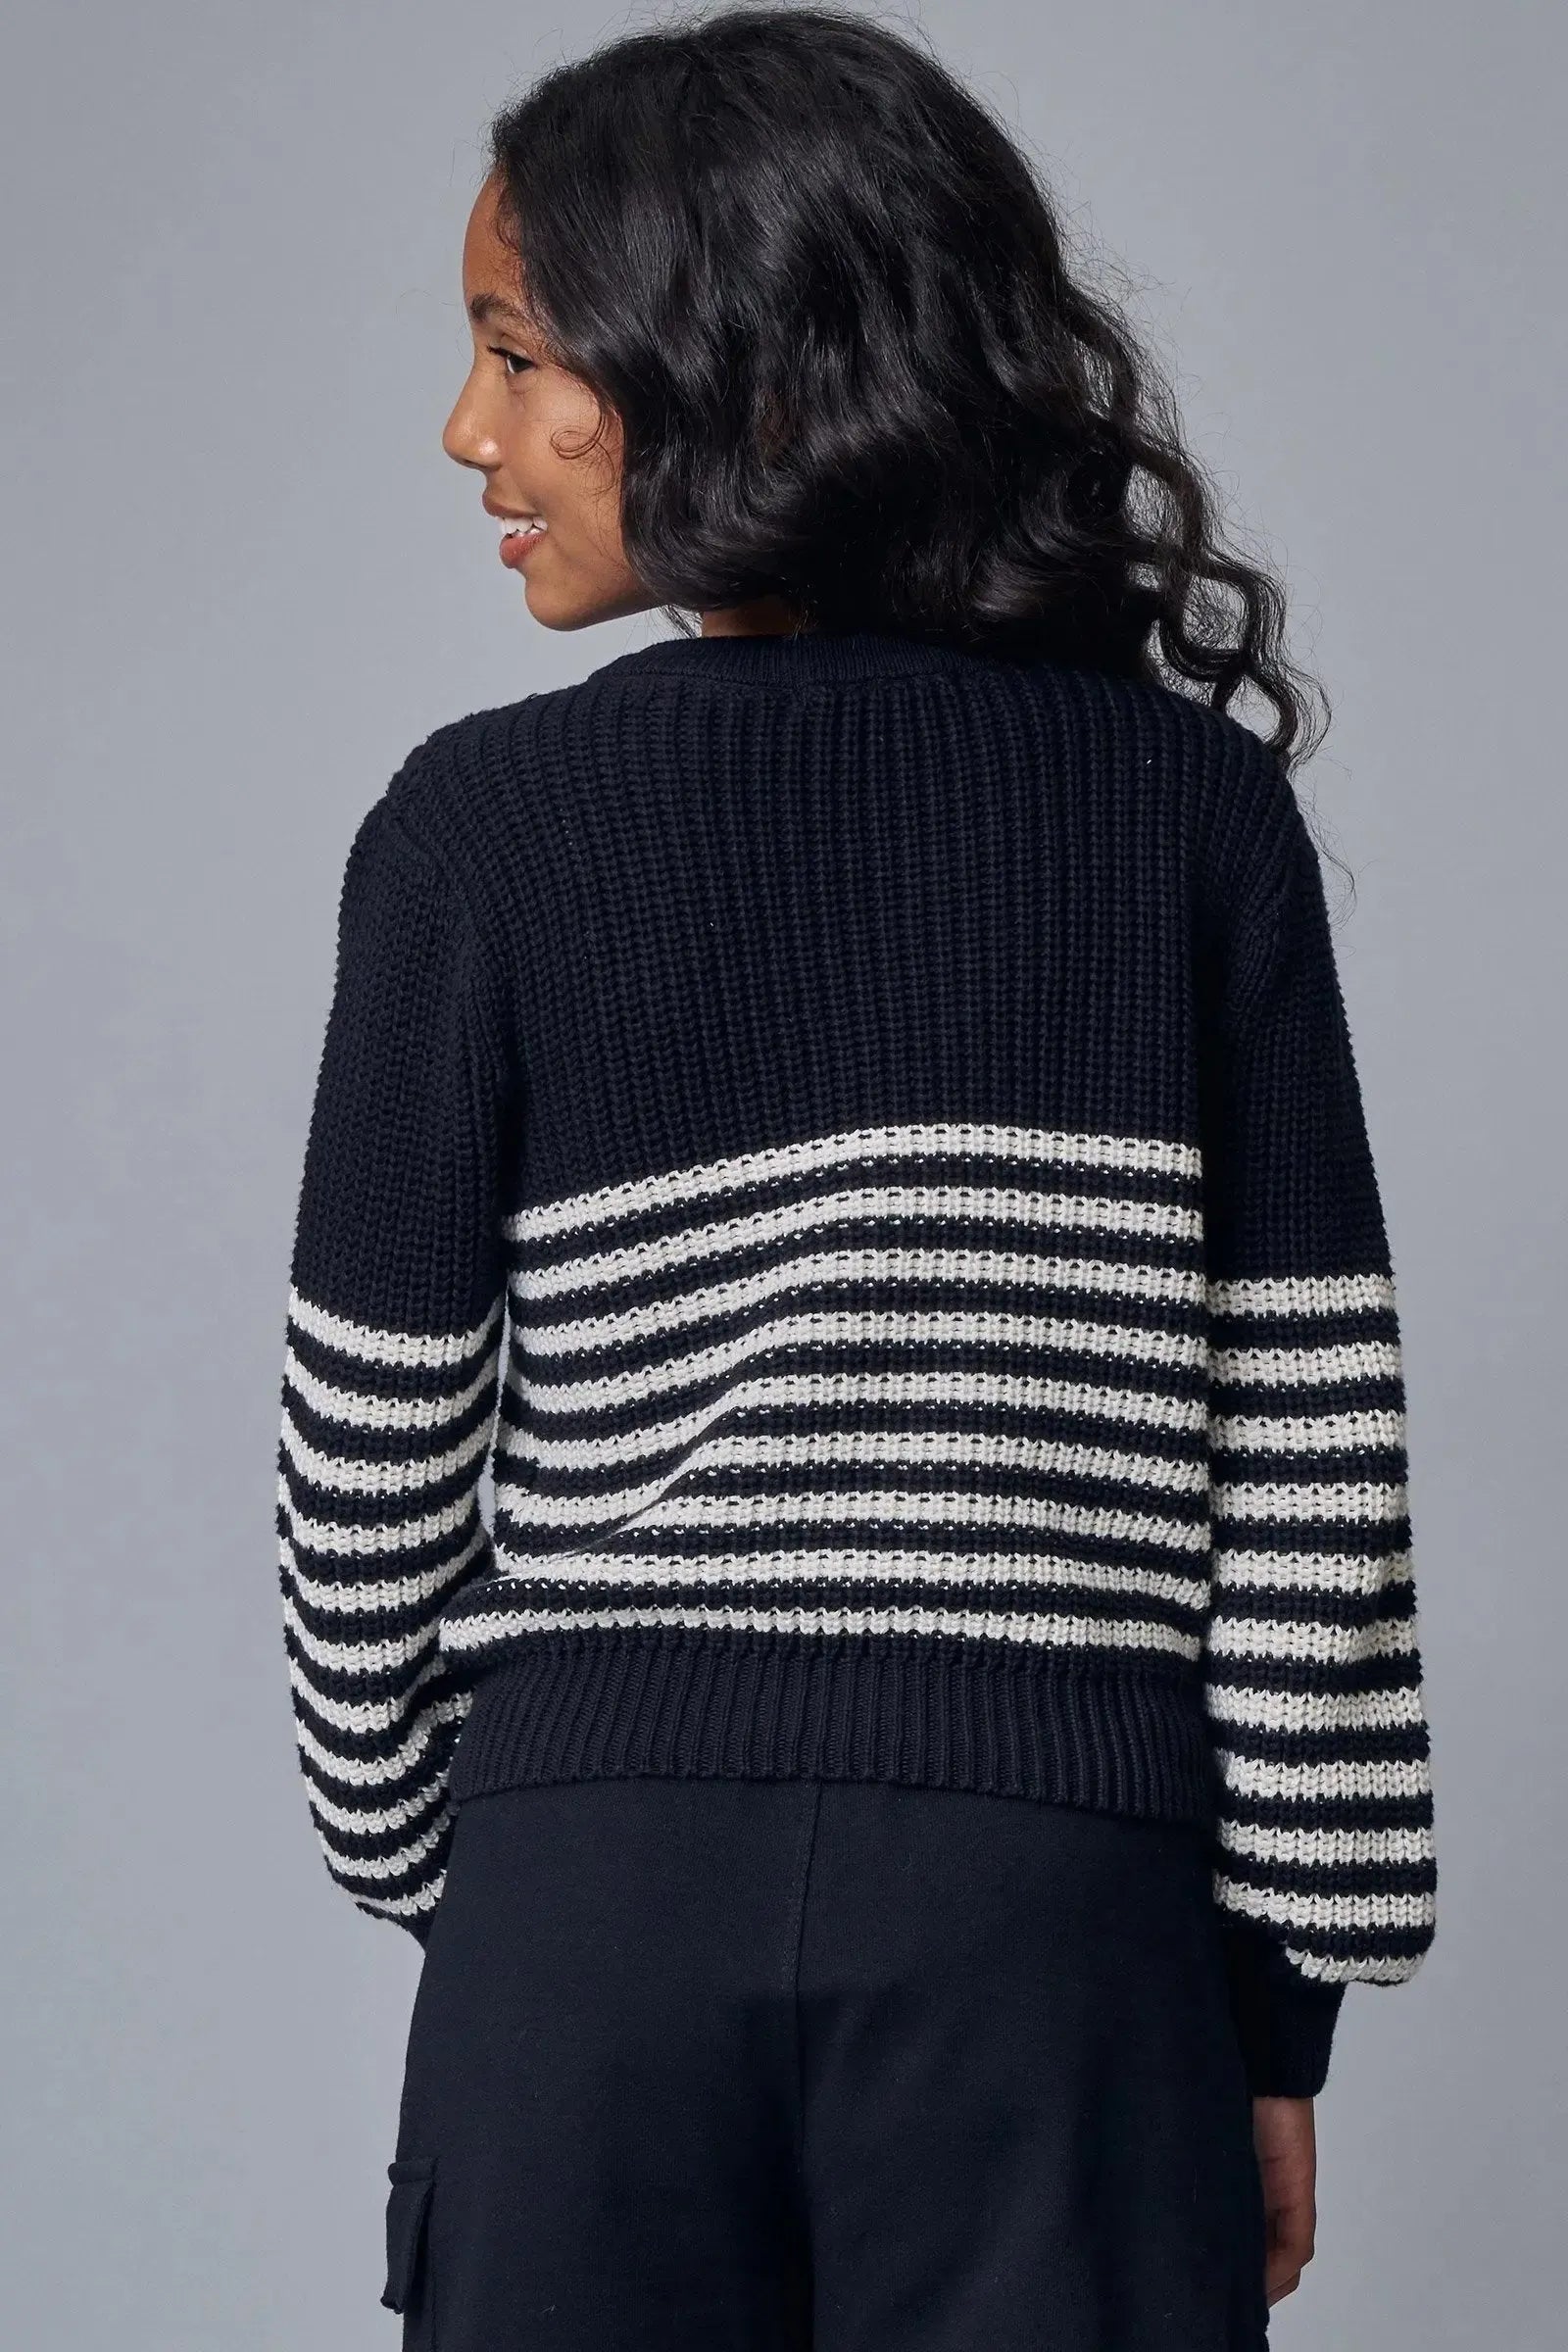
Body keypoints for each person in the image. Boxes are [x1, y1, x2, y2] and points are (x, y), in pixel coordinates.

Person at [273, 9, 1437, 2345]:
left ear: (748, 370)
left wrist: (506, 1868)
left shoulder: (477, 830)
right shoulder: (1178, 812)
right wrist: (1272, 2002)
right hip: (1051, 1927)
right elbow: (1307, 1465)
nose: (467, 432)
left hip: (586, 1910)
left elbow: (366, 1473)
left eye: (517, 353)